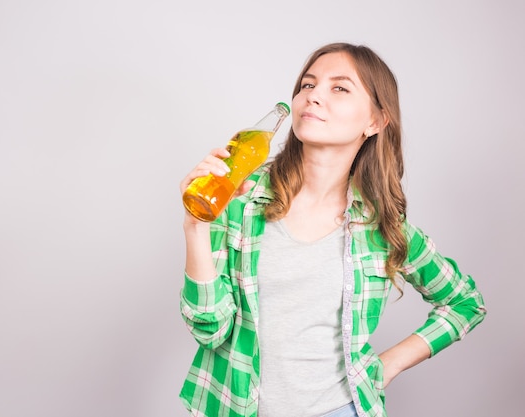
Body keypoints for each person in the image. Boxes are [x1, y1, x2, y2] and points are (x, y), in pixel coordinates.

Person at [177, 42, 486, 417]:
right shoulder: (240, 196)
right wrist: (196, 226)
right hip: (234, 407)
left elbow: (465, 303)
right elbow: (210, 329)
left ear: (375, 121)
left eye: (339, 88)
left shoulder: (383, 226)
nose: (313, 96)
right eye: (307, 85)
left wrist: (387, 365)